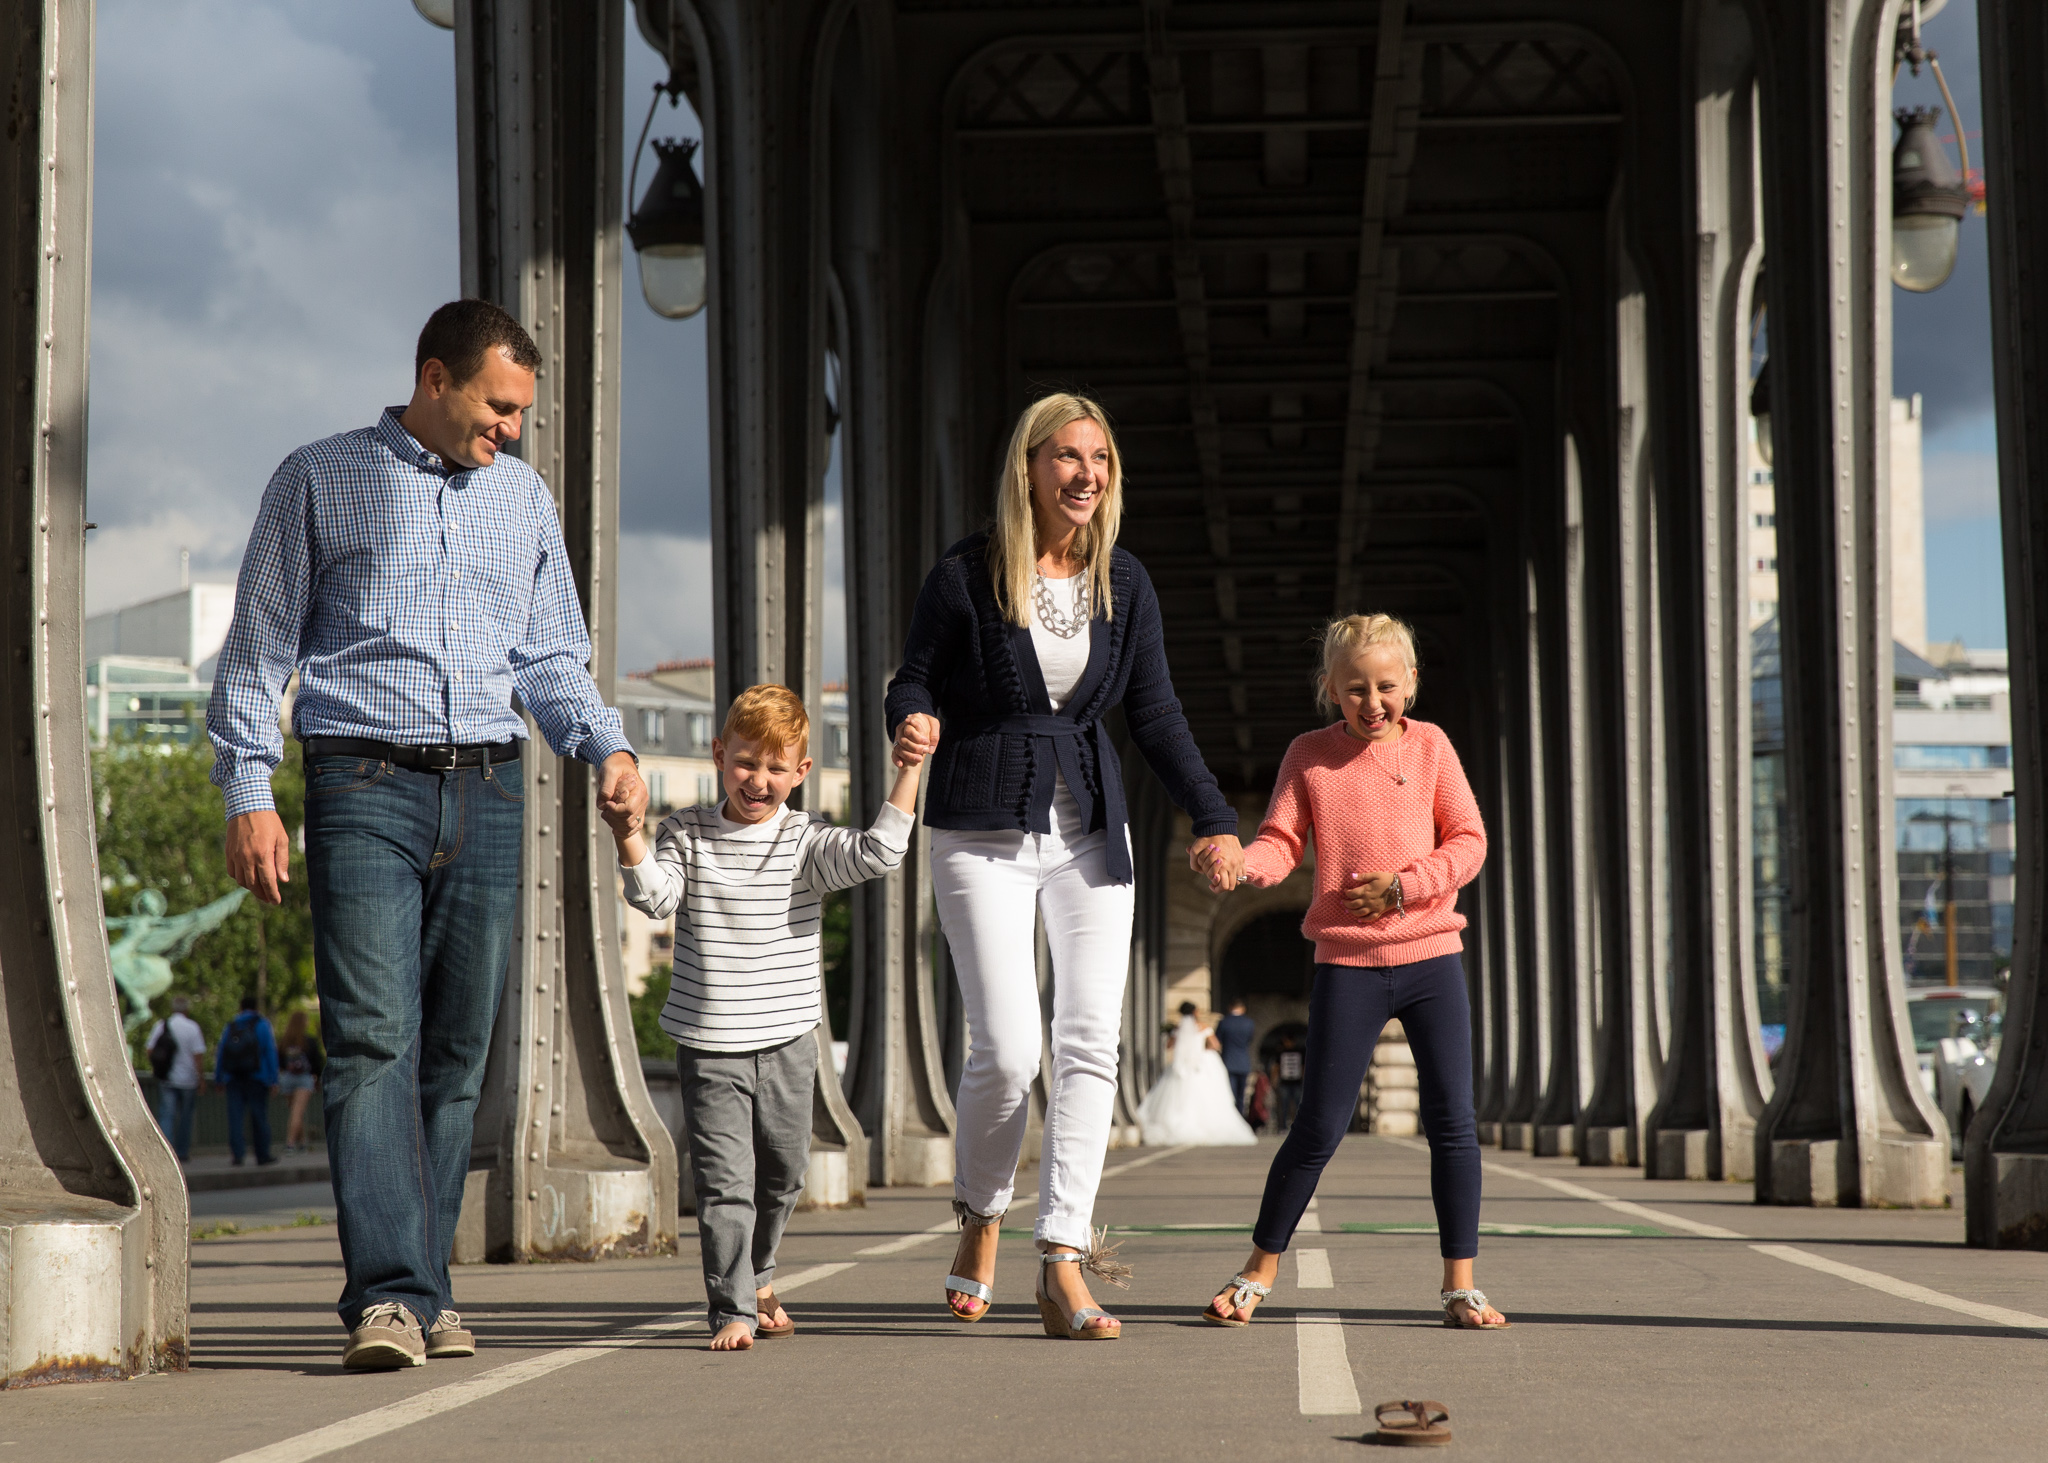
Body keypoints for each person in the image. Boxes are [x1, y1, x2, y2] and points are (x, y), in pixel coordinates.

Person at [207, 299, 648, 1371]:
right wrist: (245, 789)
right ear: (435, 377)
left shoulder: (523, 500)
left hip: (490, 787)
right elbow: (260, 646)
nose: (510, 430)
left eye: (522, 414)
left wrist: (609, 747)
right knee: (371, 1042)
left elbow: (549, 656)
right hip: (361, 780)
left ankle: (427, 1286)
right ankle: (389, 1296)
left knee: (454, 1057)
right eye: (498, 407)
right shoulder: (316, 477)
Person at [887, 392, 1245, 1342]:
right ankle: (979, 1213)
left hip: (1089, 827)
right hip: (979, 824)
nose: (1086, 473)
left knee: (1089, 1042)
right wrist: (910, 718)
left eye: (1101, 459)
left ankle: (1063, 1259)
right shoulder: (966, 573)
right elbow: (914, 675)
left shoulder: (1124, 583)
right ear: (1030, 468)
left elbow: (1157, 717)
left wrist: (1213, 818)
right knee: (1007, 1049)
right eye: (1068, 457)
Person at [1197, 614, 1506, 1331]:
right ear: (1330, 689)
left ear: (1412, 683)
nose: (1373, 703)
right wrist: (1242, 863)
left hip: (1432, 956)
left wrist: (1406, 885)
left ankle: (1461, 1285)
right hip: (1349, 964)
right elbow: (1280, 842)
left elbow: (1469, 839)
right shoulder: (1309, 756)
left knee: (1454, 1122)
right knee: (1316, 1127)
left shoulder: (1430, 746)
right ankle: (1257, 1271)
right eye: (1355, 689)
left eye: (1387, 687)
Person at [608, 685, 926, 1352]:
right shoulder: (685, 832)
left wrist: (910, 767)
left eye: (776, 768)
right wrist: (628, 834)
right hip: (711, 1042)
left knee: (783, 1172)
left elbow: (878, 853)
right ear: (720, 755)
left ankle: (761, 1272)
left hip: (788, 1040)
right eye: (746, 762)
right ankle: (733, 1308)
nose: (759, 780)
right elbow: (654, 895)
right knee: (726, 1184)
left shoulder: (805, 840)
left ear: (801, 772)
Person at [1136, 1002, 1256, 1146]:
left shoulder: (1178, 1028)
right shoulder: (1203, 1027)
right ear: (1195, 1012)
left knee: (1178, 1098)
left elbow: (1169, 1046)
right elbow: (1215, 1044)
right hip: (1199, 1067)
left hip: (1182, 1068)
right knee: (1208, 1096)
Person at [214, 996, 279, 1168]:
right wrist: (274, 1079)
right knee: (259, 1116)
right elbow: (270, 1051)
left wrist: (219, 1077)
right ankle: (262, 1154)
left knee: (235, 1117)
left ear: (240, 1008)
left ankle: (238, 1154)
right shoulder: (262, 1024)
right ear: (256, 1007)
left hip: (233, 1077)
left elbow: (221, 1052)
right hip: (258, 1077)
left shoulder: (231, 1026)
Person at [146, 997, 208, 1162]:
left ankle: (166, 1153)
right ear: (187, 1010)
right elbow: (198, 1056)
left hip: (167, 1078)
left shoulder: (162, 1025)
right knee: (186, 1117)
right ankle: (182, 1152)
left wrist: (159, 1066)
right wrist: (201, 1079)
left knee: (167, 1114)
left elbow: (150, 1049)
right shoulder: (193, 1028)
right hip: (188, 1080)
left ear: (173, 1009)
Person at [276, 1010, 326, 1154]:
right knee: (297, 1112)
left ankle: (303, 1143)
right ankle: (290, 1144)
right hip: (304, 1078)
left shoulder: (284, 1041)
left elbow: (279, 1061)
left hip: (287, 1078)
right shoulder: (309, 1041)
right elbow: (317, 1061)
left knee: (295, 1111)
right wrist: (316, 1077)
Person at [1216, 998, 1256, 1115]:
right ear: (1243, 1008)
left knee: (1230, 1093)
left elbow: (1218, 1041)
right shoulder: (1249, 1023)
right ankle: (1241, 1117)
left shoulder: (1224, 1022)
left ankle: (1231, 1117)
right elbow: (1249, 1040)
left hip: (1228, 1061)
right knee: (1241, 1095)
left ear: (1230, 1007)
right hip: (1244, 1062)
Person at [1273, 1032, 1306, 1131]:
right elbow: (1276, 1067)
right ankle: (1282, 1126)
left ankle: (1297, 1126)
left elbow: (1303, 1067)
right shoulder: (1280, 1053)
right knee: (1284, 1105)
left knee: (1297, 1106)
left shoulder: (1300, 1052)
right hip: (1284, 1083)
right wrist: (1274, 1080)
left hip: (1296, 1083)